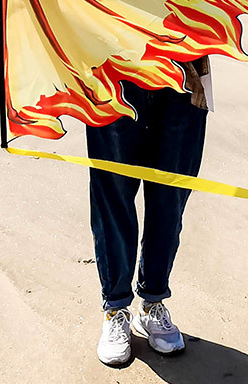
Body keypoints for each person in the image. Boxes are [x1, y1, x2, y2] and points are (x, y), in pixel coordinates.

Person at [88, 57, 211, 366]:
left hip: (184, 71)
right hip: (112, 66)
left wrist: (203, 74)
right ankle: (115, 307)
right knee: (112, 199)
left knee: (169, 202)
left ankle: (152, 303)